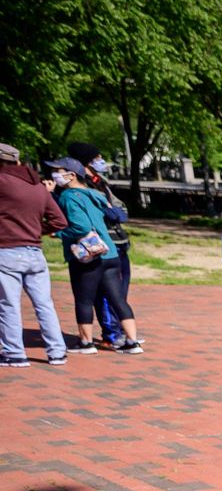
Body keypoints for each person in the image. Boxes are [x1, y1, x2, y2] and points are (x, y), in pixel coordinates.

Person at [48, 158, 141, 354]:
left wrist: (57, 233)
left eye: (58, 171)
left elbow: (80, 226)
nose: (54, 175)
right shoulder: (95, 194)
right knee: (118, 299)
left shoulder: (68, 196)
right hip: (110, 252)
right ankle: (132, 341)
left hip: (88, 256)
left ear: (72, 175)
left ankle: (86, 342)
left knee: (84, 299)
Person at [0, 147, 70, 367]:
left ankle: (14, 353)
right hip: (35, 253)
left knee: (9, 304)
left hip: (7, 251)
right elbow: (60, 222)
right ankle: (57, 352)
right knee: (44, 304)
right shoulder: (38, 187)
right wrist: (34, 231)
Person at [69, 142, 131, 345]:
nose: (100, 161)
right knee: (103, 293)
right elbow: (103, 212)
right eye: (96, 158)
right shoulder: (80, 186)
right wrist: (111, 211)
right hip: (100, 245)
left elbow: (120, 209)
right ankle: (111, 334)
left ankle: (123, 332)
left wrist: (115, 211)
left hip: (118, 243)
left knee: (118, 292)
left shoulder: (100, 182)